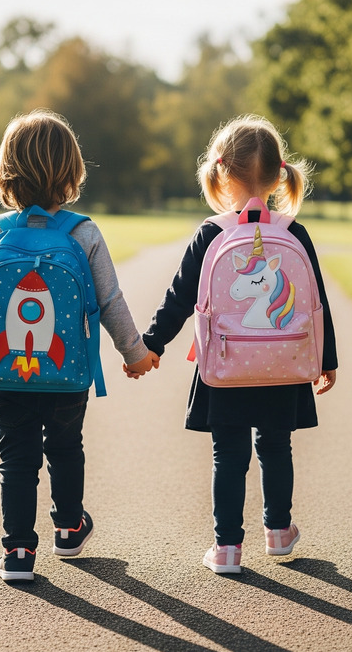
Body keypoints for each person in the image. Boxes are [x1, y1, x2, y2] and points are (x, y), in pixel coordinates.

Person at [0, 109, 159, 582]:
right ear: (71, 173)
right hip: (67, 372)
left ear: (6, 171)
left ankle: (18, 553)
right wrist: (135, 353)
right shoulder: (82, 232)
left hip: (7, 374)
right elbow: (110, 300)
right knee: (66, 447)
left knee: (16, 457)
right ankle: (68, 529)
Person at [133, 114, 337, 575]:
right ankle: (278, 531)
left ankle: (226, 548)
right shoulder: (293, 232)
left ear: (221, 173)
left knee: (228, 455)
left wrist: (151, 345)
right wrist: (326, 360)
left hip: (226, 366)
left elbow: (179, 298)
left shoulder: (212, 233)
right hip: (284, 365)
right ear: (279, 175)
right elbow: (317, 302)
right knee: (276, 447)